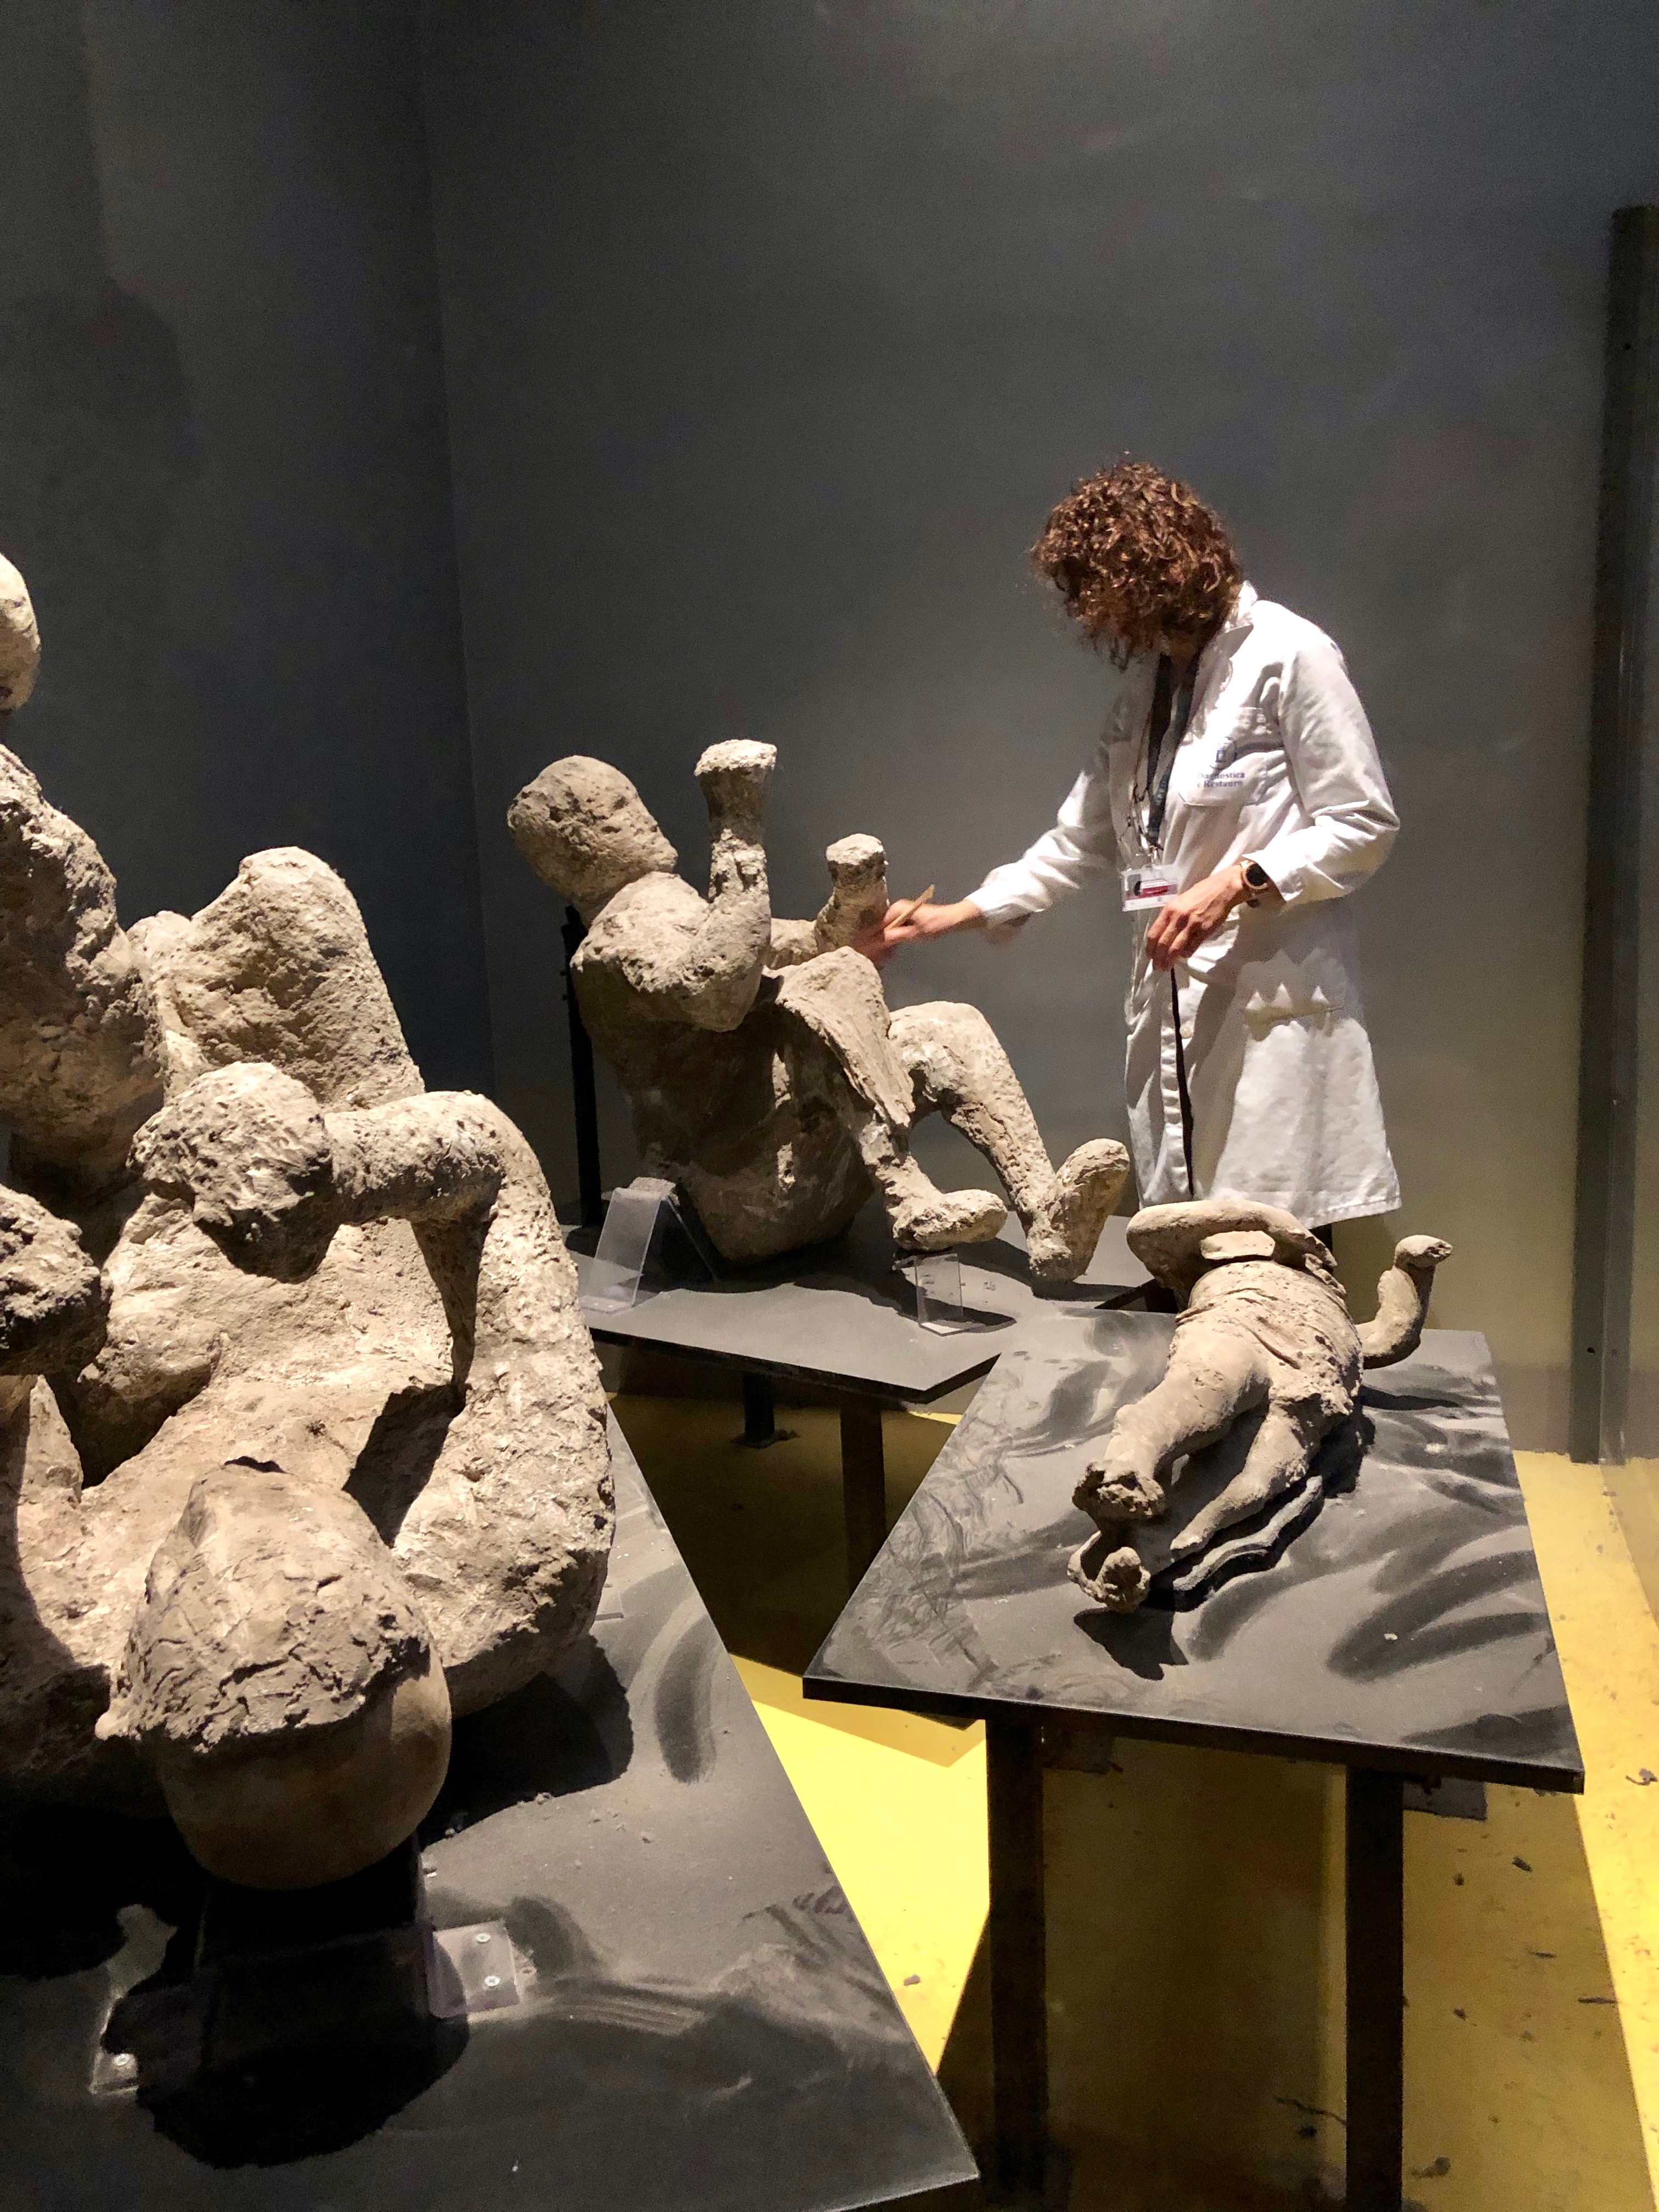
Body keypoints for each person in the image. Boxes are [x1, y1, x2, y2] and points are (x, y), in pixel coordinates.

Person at [882, 460, 1400, 1236]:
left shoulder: (1290, 655)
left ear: (1153, 571)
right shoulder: (1147, 689)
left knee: (1272, 1254)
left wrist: (1239, 880)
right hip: (1171, 1004)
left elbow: (1362, 823)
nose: (1099, 620)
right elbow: (1080, 839)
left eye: (1102, 594)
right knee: (1184, 1239)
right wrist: (960, 913)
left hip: (1269, 1005)